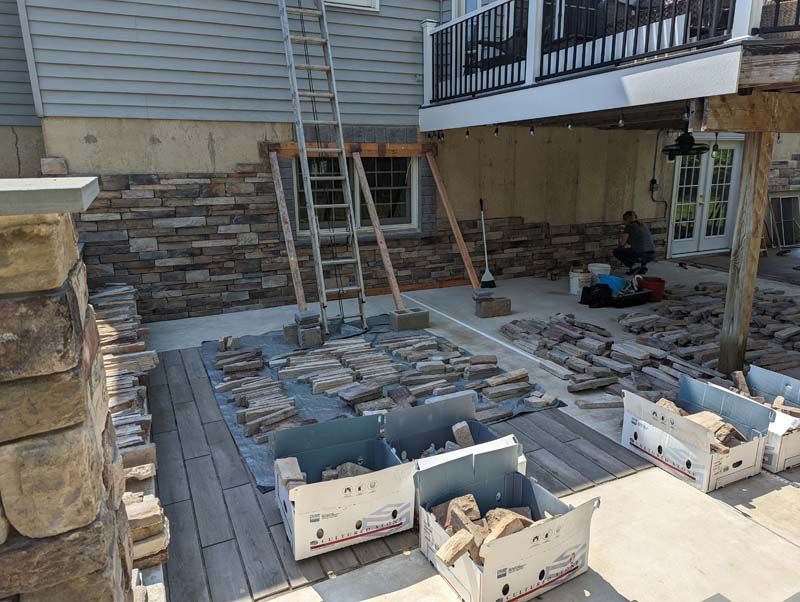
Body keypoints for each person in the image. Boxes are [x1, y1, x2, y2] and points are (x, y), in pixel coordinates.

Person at [613, 211, 655, 275]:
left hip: (640, 254)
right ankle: (643, 267)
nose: (623, 222)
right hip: (651, 254)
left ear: (626, 220)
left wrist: (621, 234)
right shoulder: (642, 225)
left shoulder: (629, 226)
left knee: (617, 251)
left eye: (623, 220)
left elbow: (622, 243)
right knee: (635, 250)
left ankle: (634, 266)